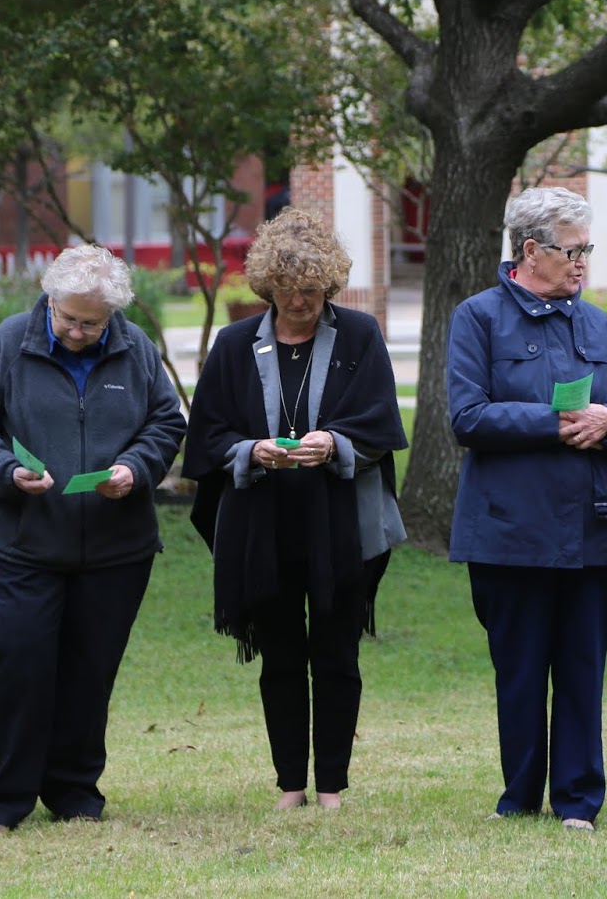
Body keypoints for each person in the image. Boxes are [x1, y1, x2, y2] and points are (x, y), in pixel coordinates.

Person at [0, 244, 186, 832]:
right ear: (50, 299)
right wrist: (7, 471)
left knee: (88, 672)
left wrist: (135, 468)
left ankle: (75, 794)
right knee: (15, 664)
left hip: (114, 549)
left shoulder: (136, 352)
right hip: (16, 544)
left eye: (92, 323)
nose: (79, 333)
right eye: (70, 319)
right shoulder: (8, 342)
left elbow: (166, 421)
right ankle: (0, 804)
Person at [183, 208, 407, 811]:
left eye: (311, 291)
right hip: (264, 526)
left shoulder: (360, 335)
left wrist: (334, 441)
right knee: (280, 657)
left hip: (340, 526)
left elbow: (382, 422)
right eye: (288, 292)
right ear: (267, 288)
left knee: (337, 654)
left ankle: (331, 783)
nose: (301, 302)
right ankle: (290, 785)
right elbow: (205, 435)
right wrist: (249, 450)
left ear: (329, 286)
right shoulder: (234, 345)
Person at [446, 186, 607, 832]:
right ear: (531, 250)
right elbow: (466, 416)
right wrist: (555, 423)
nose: (584, 261)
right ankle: (520, 796)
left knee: (583, 668)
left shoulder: (595, 322)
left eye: (587, 248)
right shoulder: (477, 318)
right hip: (510, 529)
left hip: (592, 524)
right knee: (522, 670)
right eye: (573, 249)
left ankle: (579, 802)